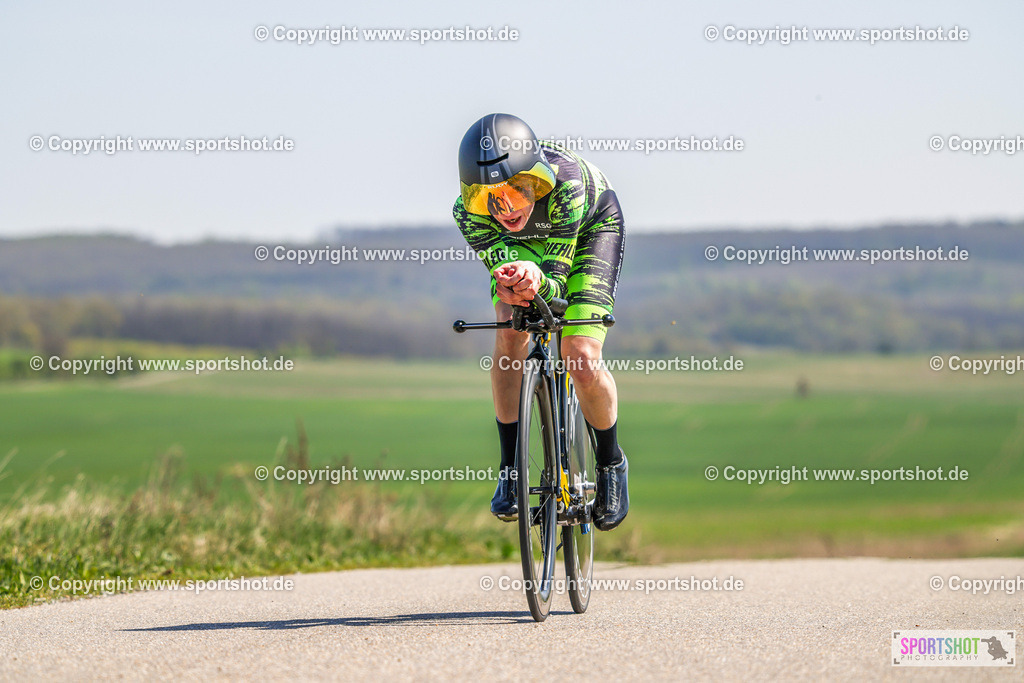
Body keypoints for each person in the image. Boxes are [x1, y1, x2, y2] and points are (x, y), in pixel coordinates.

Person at [453, 113, 629, 531]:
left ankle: (611, 463)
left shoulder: (565, 186)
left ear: (534, 179)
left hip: (586, 231)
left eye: (516, 189)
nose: (504, 207)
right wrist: (517, 284)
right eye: (487, 197)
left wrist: (540, 285)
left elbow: (555, 285)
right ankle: (510, 470)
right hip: (522, 250)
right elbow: (509, 278)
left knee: (580, 354)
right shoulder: (467, 214)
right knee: (510, 328)